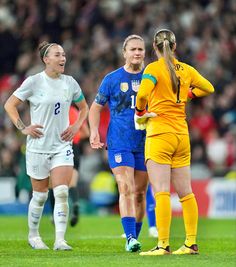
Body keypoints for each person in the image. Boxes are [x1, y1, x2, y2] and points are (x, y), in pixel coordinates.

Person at [134, 29, 214, 256]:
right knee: (186, 193)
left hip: (160, 134)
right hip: (181, 135)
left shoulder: (153, 69)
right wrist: (188, 95)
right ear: (175, 46)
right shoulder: (186, 69)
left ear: (154, 46)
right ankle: (190, 243)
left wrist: (141, 112)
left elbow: (141, 95)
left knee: (160, 191)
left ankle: (163, 244)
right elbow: (208, 87)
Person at [4, 41, 89, 250]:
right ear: (46, 59)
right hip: (38, 147)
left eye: (64, 55)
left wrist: (77, 125)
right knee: (40, 195)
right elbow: (10, 105)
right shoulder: (34, 82)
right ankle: (34, 236)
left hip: (61, 146)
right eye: (58, 55)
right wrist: (23, 128)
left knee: (61, 192)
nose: (63, 58)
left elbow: (84, 106)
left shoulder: (70, 82)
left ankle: (60, 239)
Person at [89, 35, 148, 252]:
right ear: (124, 52)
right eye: (133, 49)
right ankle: (130, 238)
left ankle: (135, 236)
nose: (137, 53)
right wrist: (94, 131)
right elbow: (96, 108)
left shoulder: (151, 78)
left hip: (144, 143)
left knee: (140, 193)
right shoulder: (112, 79)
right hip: (119, 142)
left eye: (140, 49)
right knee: (126, 187)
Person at [48, 105, 89, 227]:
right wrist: (73, 136)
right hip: (74, 148)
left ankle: (54, 214)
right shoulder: (75, 112)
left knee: (52, 184)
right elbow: (86, 132)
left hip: (58, 148)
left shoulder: (54, 110)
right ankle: (76, 203)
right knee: (72, 184)